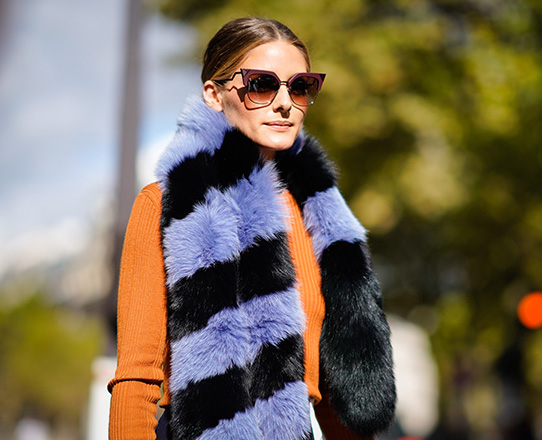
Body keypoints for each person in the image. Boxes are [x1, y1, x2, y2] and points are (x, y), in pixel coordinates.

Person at [107, 17, 396, 440]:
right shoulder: (166, 204)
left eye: (300, 87)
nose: (284, 103)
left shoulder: (320, 218)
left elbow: (336, 395)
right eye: (262, 85)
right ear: (214, 94)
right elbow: (136, 379)